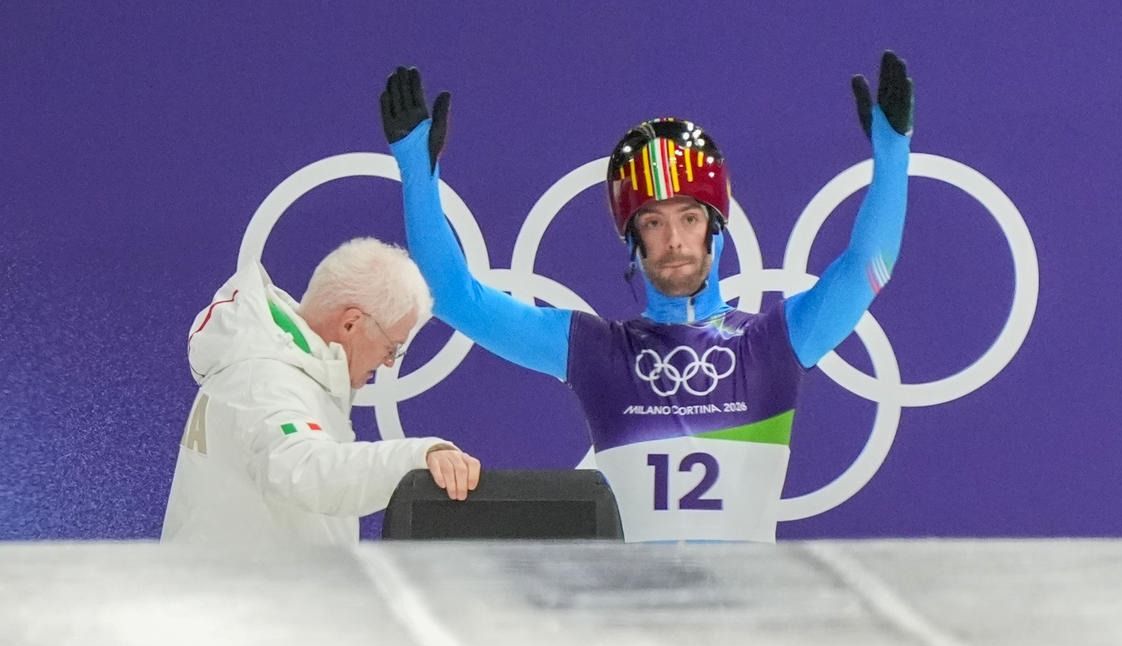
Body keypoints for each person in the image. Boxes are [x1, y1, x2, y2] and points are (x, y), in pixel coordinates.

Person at [380, 52, 913, 542]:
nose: (674, 240)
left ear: (716, 228)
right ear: (632, 241)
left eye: (690, 218)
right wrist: (417, 172)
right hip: (632, 610)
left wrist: (893, 153)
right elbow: (453, 297)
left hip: (749, 610)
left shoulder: (774, 343)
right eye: (653, 223)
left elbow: (870, 265)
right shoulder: (597, 352)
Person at [161, 237, 481, 545]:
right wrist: (416, 457)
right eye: (391, 347)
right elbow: (308, 473)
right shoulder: (264, 381)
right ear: (351, 323)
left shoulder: (286, 371)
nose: (388, 363)